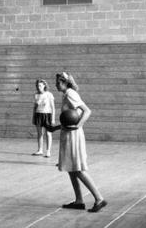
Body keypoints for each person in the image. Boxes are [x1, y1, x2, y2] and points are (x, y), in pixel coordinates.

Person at [55, 72, 107, 212]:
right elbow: (70, 118)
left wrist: (78, 126)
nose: (56, 85)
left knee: (77, 169)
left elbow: (87, 111)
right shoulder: (66, 94)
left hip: (74, 136)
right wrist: (55, 127)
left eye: (58, 82)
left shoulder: (71, 94)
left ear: (64, 83)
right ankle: (79, 201)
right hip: (68, 134)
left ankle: (99, 198)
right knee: (71, 169)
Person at [32, 78, 56, 157]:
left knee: (48, 134)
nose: (38, 87)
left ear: (44, 85)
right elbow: (35, 107)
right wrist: (33, 116)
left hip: (47, 115)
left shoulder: (49, 94)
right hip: (38, 115)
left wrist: (53, 118)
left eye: (40, 85)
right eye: (37, 85)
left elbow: (53, 107)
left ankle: (48, 151)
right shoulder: (36, 95)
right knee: (39, 133)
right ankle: (40, 150)